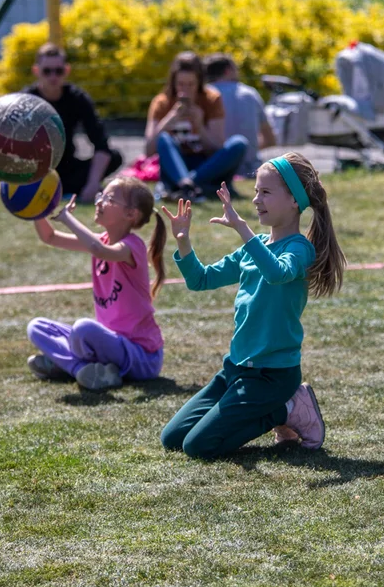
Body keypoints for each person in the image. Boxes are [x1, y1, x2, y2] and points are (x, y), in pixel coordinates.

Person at [159, 152, 345, 459]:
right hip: (236, 369)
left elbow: (277, 273)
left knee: (199, 447)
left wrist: (243, 230)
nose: (257, 199)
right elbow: (200, 280)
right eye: (256, 191)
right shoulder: (252, 248)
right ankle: (276, 409)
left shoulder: (299, 248)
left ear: (295, 201)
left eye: (266, 192)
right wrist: (183, 241)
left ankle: (286, 409)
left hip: (272, 376)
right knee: (173, 439)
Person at [27, 177, 167, 391]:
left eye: (109, 199)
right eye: (100, 195)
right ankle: (81, 369)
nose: (99, 202)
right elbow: (50, 237)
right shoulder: (100, 241)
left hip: (143, 357)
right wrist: (38, 210)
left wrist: (67, 218)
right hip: (110, 345)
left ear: (131, 214)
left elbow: (98, 250)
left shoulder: (132, 246)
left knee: (83, 329)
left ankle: (67, 365)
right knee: (37, 327)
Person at [24, 43, 123, 201]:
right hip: (35, 171)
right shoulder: (25, 101)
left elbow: (101, 145)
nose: (53, 77)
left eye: (59, 71)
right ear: (36, 71)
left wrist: (92, 184)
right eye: (47, 71)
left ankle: (69, 190)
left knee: (115, 156)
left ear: (67, 70)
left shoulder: (77, 98)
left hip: (68, 168)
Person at [144, 51, 248, 200]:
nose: (185, 90)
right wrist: (168, 121)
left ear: (199, 82)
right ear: (173, 83)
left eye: (191, 84)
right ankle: (190, 185)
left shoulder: (211, 99)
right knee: (164, 138)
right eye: (180, 84)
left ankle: (186, 185)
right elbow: (148, 150)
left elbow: (218, 148)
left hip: (205, 164)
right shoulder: (162, 102)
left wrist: (199, 126)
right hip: (176, 163)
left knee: (239, 143)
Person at [203, 53, 276, 178]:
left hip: (217, 168)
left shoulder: (204, 96)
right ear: (228, 71)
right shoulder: (250, 94)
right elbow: (270, 139)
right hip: (251, 170)